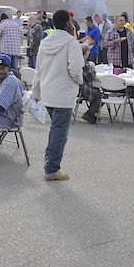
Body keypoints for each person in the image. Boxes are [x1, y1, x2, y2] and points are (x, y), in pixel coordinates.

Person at [31, 10, 84, 181]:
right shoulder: (72, 43)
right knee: (59, 132)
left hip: (48, 92)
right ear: (68, 23)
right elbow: (75, 69)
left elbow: (38, 70)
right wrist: (79, 81)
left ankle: (50, 163)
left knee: (56, 130)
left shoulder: (45, 42)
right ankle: (52, 168)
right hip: (64, 93)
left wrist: (36, 91)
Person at [79, 44, 102, 124]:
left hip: (76, 86)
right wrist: (92, 68)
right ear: (85, 53)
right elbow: (90, 77)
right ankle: (90, 113)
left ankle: (91, 114)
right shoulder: (84, 63)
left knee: (97, 93)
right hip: (82, 88)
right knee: (101, 95)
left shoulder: (76, 60)